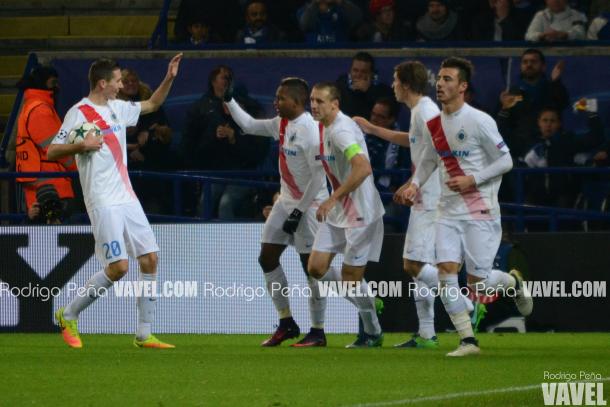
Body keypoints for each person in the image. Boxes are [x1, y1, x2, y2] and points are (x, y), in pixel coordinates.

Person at [47, 54, 183, 349]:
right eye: (118, 81)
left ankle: (144, 333)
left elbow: (153, 105)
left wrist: (170, 77)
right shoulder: (78, 113)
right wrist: (81, 145)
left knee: (150, 258)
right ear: (102, 83)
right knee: (119, 267)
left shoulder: (118, 108)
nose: (122, 87)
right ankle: (68, 313)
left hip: (126, 196)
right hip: (102, 199)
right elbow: (52, 151)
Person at [403, 57, 533, 357]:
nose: (440, 84)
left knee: (480, 285)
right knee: (446, 272)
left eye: (448, 79)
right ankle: (467, 340)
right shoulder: (433, 123)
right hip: (446, 211)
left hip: (479, 210)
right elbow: (429, 159)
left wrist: (472, 179)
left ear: (462, 87)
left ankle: (513, 282)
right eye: (440, 79)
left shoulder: (479, 120)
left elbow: (506, 161)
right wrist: (415, 184)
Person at [354, 61, 476, 349]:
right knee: (423, 265)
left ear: (406, 84)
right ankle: (426, 333)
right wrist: (372, 129)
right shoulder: (420, 111)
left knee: (413, 264)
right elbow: (414, 142)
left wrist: (414, 185)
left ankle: (465, 301)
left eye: (396, 81)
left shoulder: (426, 111)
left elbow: (438, 150)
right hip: (429, 197)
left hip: (432, 200)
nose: (393, 85)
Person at [225, 77, 329, 347]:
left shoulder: (310, 130)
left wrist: (300, 211)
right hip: (286, 201)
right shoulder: (280, 124)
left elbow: (319, 177)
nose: (275, 101)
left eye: (281, 98)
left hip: (311, 204)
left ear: (296, 102)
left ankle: (318, 330)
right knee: (266, 257)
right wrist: (229, 100)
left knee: (313, 270)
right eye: (276, 96)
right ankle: (286, 322)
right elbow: (248, 124)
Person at [307, 82, 385, 348]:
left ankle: (372, 331)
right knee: (316, 268)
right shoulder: (326, 126)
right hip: (339, 213)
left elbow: (362, 168)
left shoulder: (340, 131)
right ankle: (369, 299)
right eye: (312, 100)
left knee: (351, 280)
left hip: (361, 213)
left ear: (335, 104)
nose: (314, 105)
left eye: (320, 101)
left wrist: (332, 197)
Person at [15, 65, 77, 223]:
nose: (57, 86)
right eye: (53, 82)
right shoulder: (40, 110)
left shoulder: (32, 106)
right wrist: (79, 167)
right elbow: (55, 149)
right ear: (42, 83)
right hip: (51, 188)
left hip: (42, 184)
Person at [335, 52, 394, 119]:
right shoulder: (340, 86)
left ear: (371, 74)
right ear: (350, 71)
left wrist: (369, 91)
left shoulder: (382, 90)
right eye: (355, 70)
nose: (358, 75)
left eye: (364, 72)